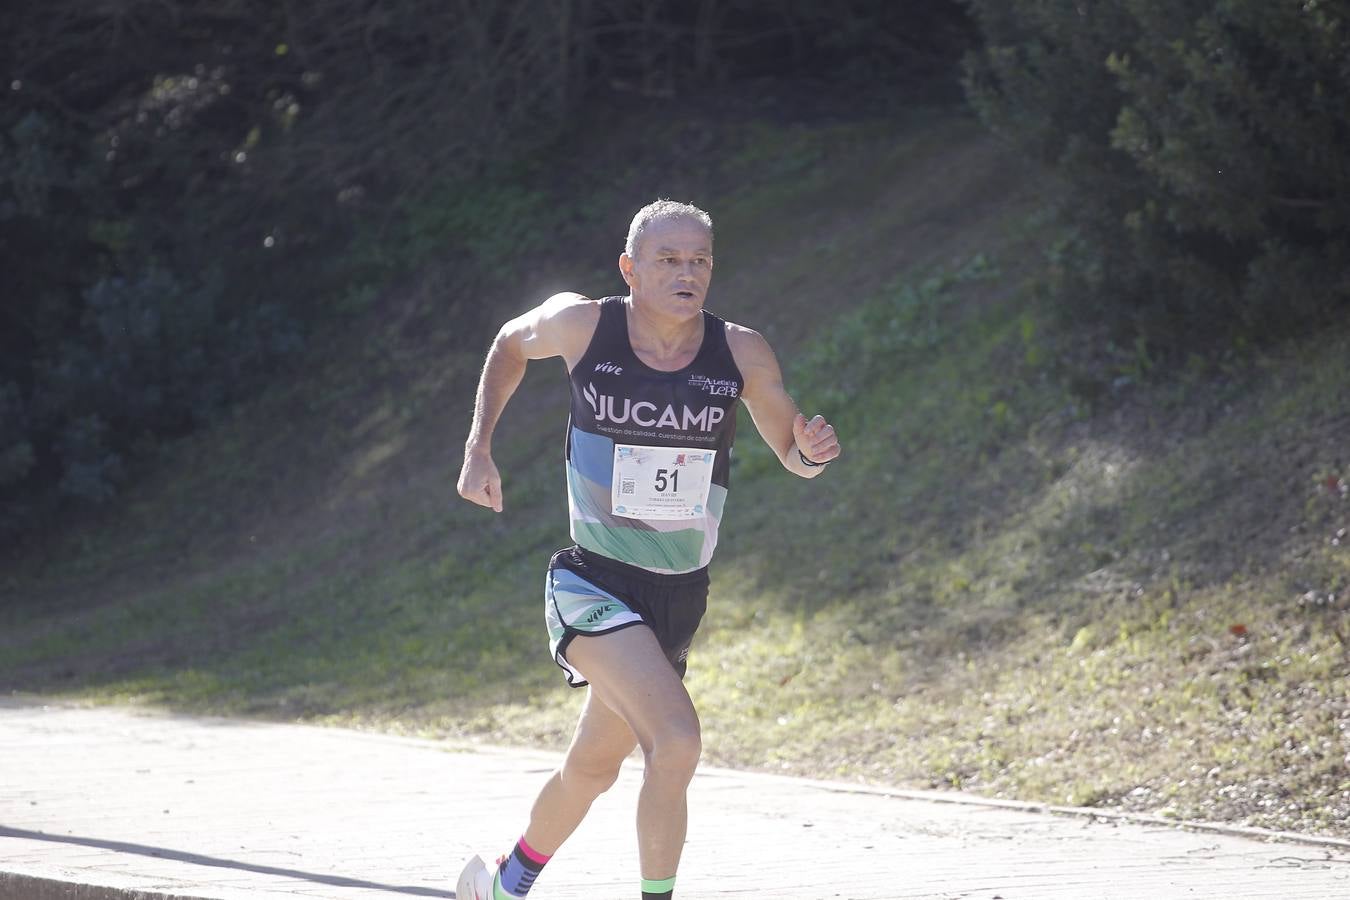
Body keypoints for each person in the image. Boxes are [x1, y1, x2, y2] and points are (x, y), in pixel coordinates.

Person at [455, 199, 840, 900]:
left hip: (679, 597)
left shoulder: (740, 352)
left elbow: (791, 449)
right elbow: (511, 343)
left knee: (593, 769)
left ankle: (501, 887)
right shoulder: (583, 324)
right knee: (678, 742)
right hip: (594, 584)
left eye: (700, 261)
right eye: (668, 260)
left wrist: (812, 454)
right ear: (629, 267)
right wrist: (479, 448)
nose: (686, 273)